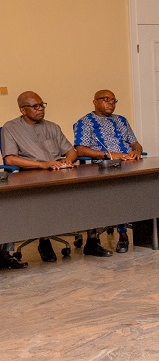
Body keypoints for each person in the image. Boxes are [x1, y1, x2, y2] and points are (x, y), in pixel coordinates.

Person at [1, 92, 83, 265]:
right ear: (23, 110)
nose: (40, 109)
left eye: (42, 105)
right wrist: (42, 165)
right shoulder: (10, 128)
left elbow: (71, 150)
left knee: (87, 191)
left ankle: (92, 240)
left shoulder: (52, 127)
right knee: (43, 201)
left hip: (59, 173)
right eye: (35, 106)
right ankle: (44, 241)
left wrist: (68, 159)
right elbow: (10, 159)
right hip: (30, 175)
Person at [73, 89, 143, 254]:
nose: (110, 103)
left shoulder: (121, 120)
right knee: (118, 193)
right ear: (95, 102)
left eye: (113, 100)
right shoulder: (85, 122)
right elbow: (80, 150)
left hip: (129, 164)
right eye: (105, 99)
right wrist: (109, 155)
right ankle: (122, 235)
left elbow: (136, 144)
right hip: (102, 166)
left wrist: (137, 152)